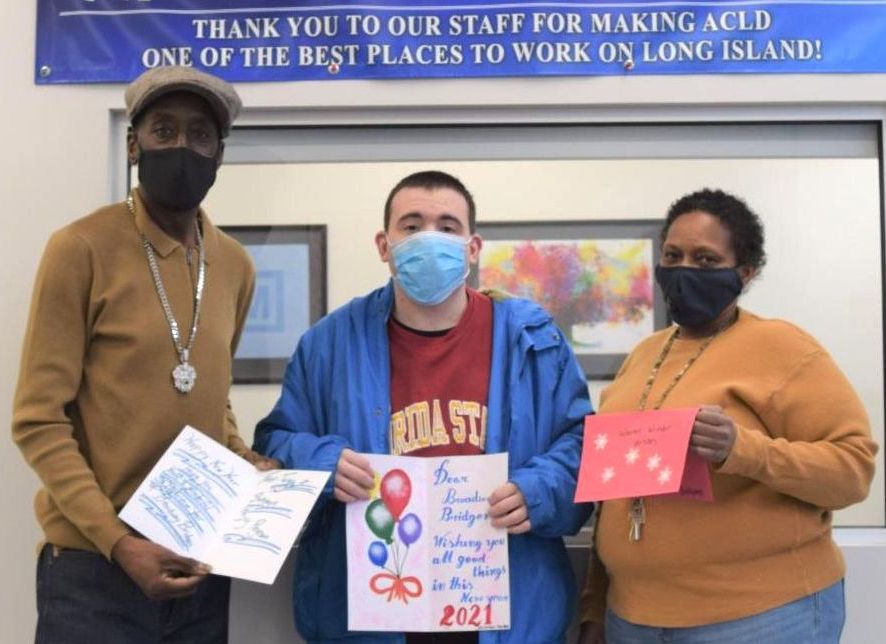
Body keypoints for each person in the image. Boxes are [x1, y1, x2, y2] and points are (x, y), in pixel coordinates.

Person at [253, 170, 594, 643]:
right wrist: (323, 463)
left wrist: (539, 491)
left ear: (472, 248)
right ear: (384, 245)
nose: (429, 238)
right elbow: (274, 443)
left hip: (506, 611)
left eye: (447, 227)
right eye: (411, 226)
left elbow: (582, 445)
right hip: (370, 616)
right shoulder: (328, 343)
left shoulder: (533, 341)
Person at [12, 65, 276, 644]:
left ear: (220, 155)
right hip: (93, 571)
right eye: (164, 130)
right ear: (134, 145)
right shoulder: (80, 248)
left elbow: (211, 398)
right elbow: (38, 420)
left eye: (200, 134)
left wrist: (244, 460)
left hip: (198, 564)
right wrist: (118, 542)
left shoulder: (235, 265)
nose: (182, 146)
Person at [577, 188, 878, 644]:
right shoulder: (643, 356)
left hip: (760, 616)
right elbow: (615, 496)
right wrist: (595, 605)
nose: (684, 270)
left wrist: (742, 450)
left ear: (745, 272)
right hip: (633, 618)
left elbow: (852, 473)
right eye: (673, 256)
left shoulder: (783, 346)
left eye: (705, 259)